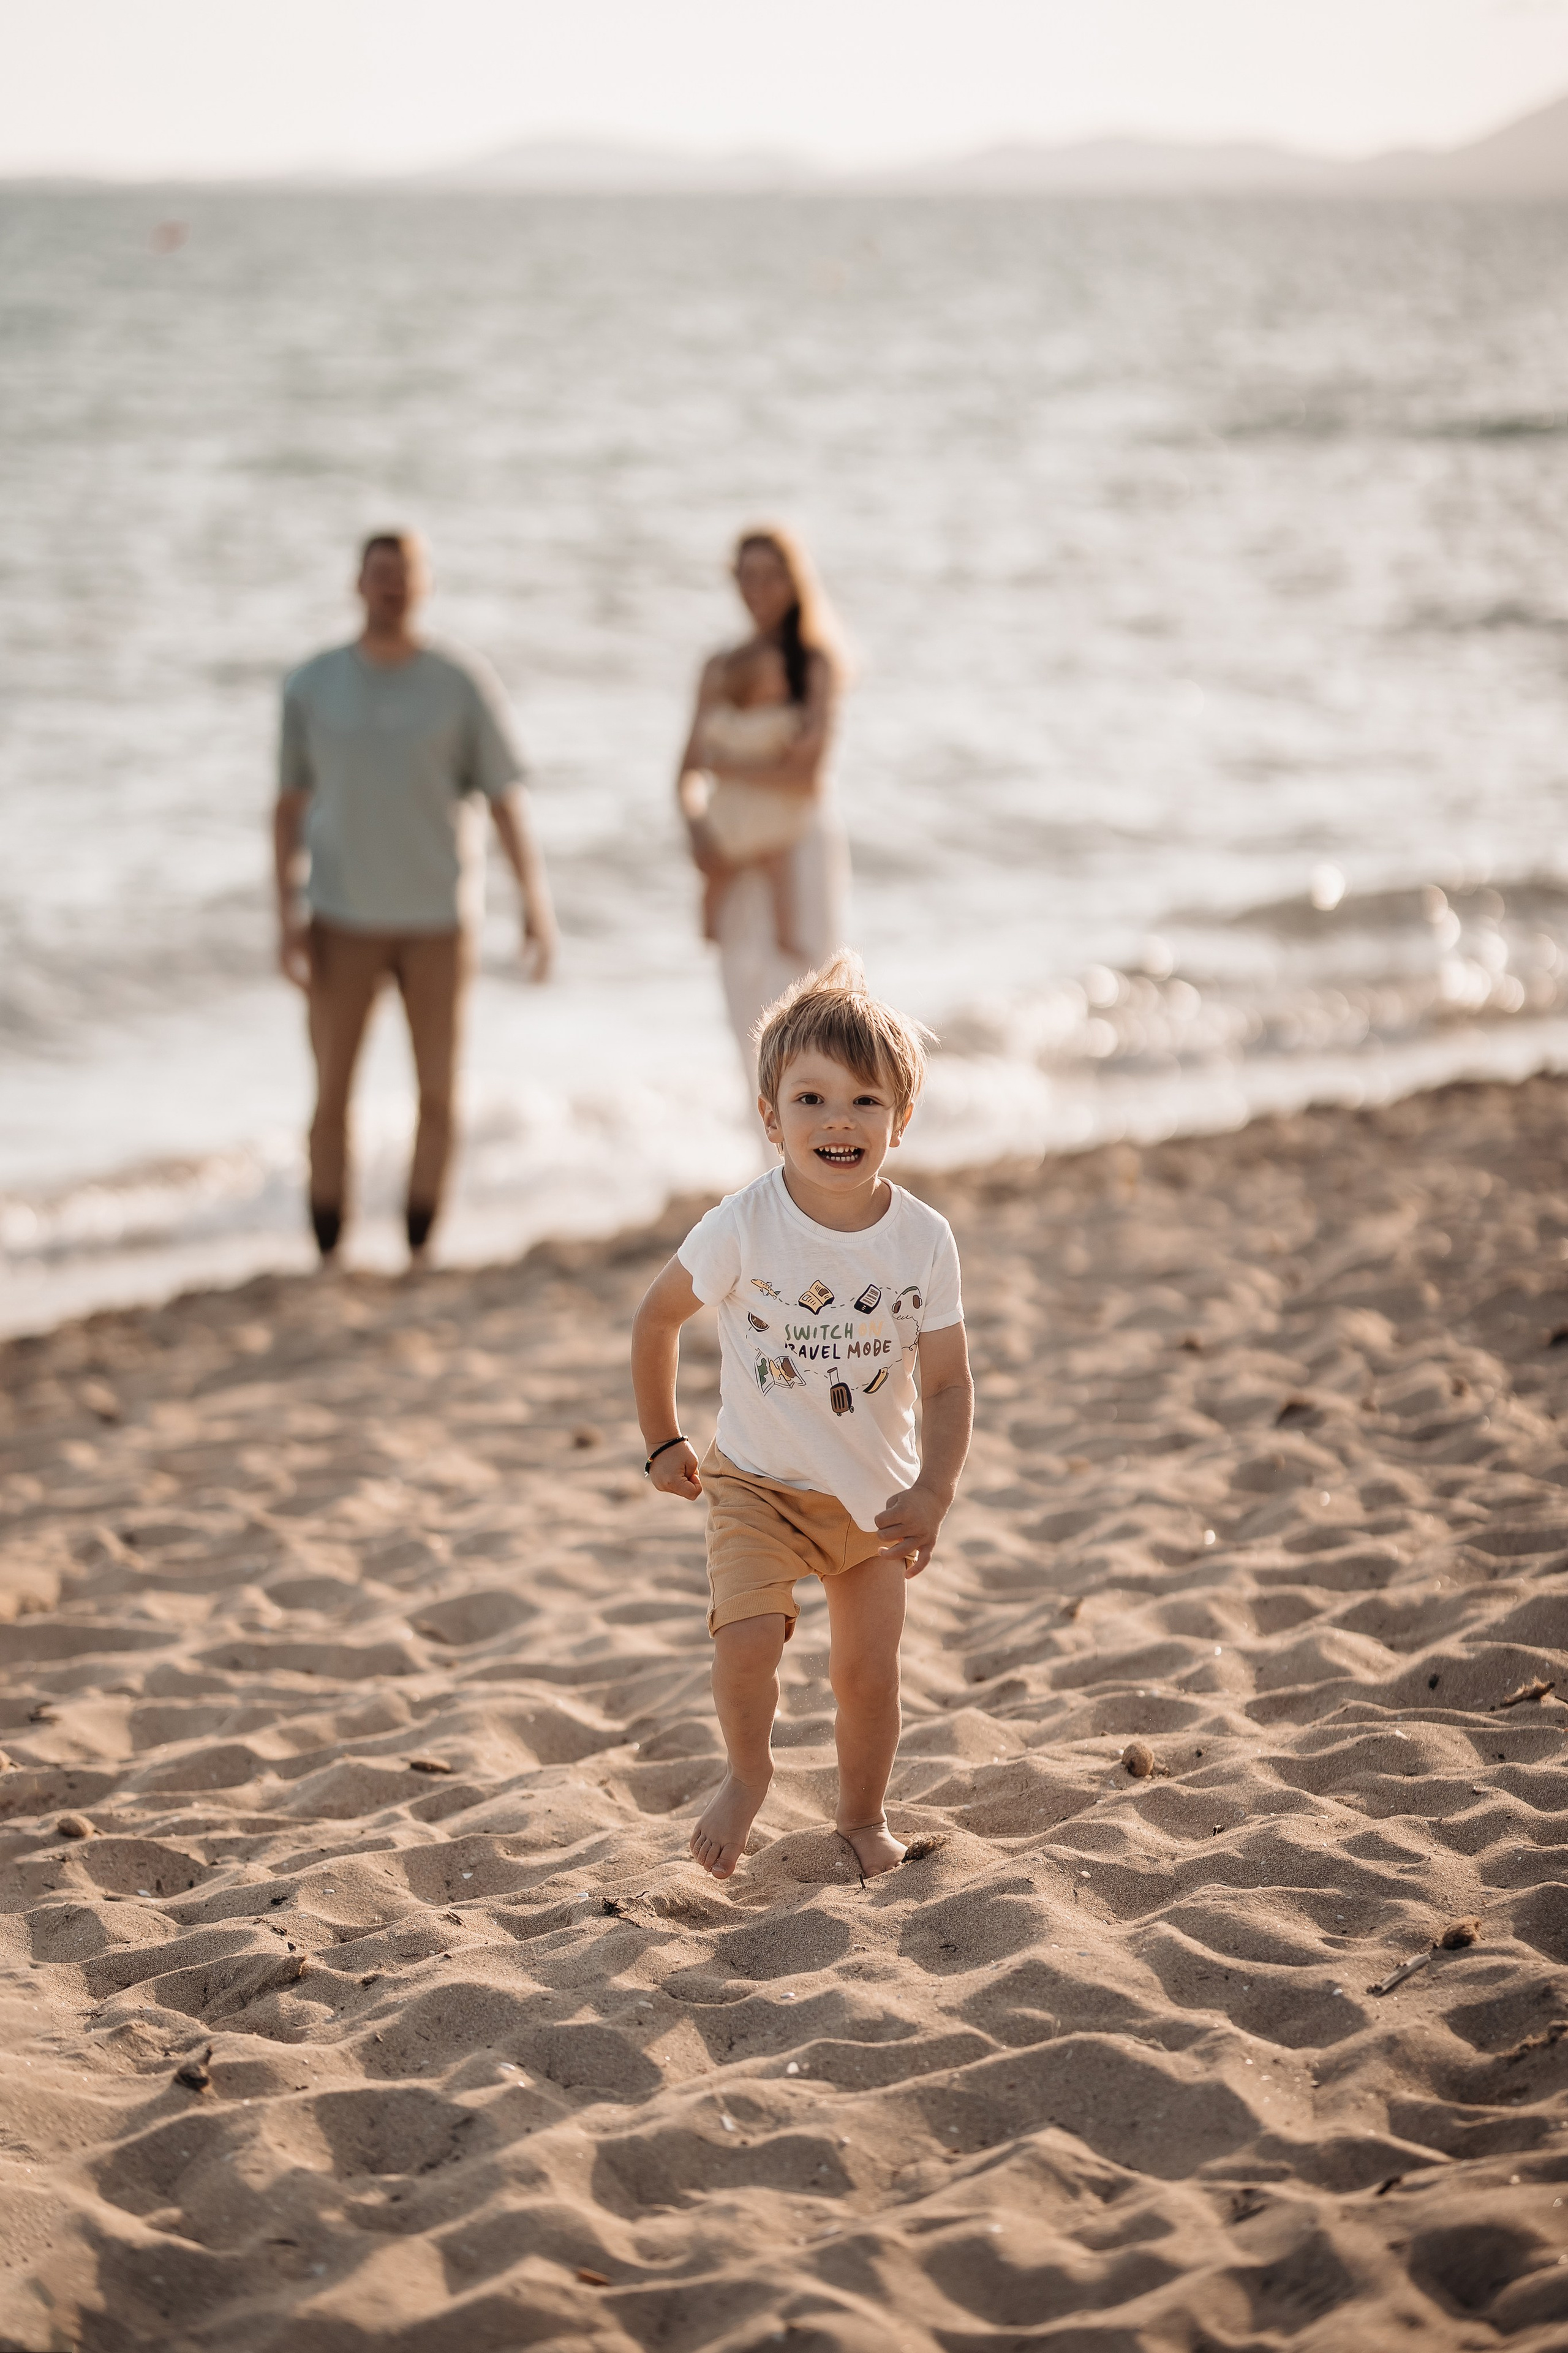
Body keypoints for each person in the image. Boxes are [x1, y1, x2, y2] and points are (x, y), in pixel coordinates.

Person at [630, 952, 973, 1881]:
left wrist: (934, 1491)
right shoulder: (741, 1226)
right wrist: (661, 1439)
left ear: (902, 1119)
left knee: (867, 1675)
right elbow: (657, 1318)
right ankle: (749, 1774)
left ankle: (862, 1818)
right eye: (811, 1099)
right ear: (769, 1115)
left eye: (865, 1101)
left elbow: (947, 1383)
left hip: (873, 1498)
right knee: (747, 1643)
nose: (838, 1120)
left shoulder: (923, 1239)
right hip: (757, 1486)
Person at [273, 531, 557, 1266]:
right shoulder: (311, 684)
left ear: (424, 585)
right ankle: (328, 1247)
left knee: (438, 1092)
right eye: (380, 575)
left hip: (439, 921)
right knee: (330, 1095)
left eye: (404, 575)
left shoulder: (459, 683)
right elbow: (288, 806)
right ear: (358, 583)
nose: (392, 587)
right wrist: (286, 918)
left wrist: (534, 904)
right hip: (339, 917)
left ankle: (420, 1246)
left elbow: (504, 798)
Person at [674, 526, 851, 1084]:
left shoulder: (813, 663)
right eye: (748, 576)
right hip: (731, 845)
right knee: (743, 1002)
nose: (760, 589)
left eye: (773, 576)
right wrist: (701, 836)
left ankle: (817, 1130)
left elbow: (806, 777)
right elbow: (686, 774)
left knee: (808, 995)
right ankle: (764, 1134)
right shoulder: (718, 665)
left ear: (795, 582)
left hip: (797, 842)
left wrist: (730, 768)